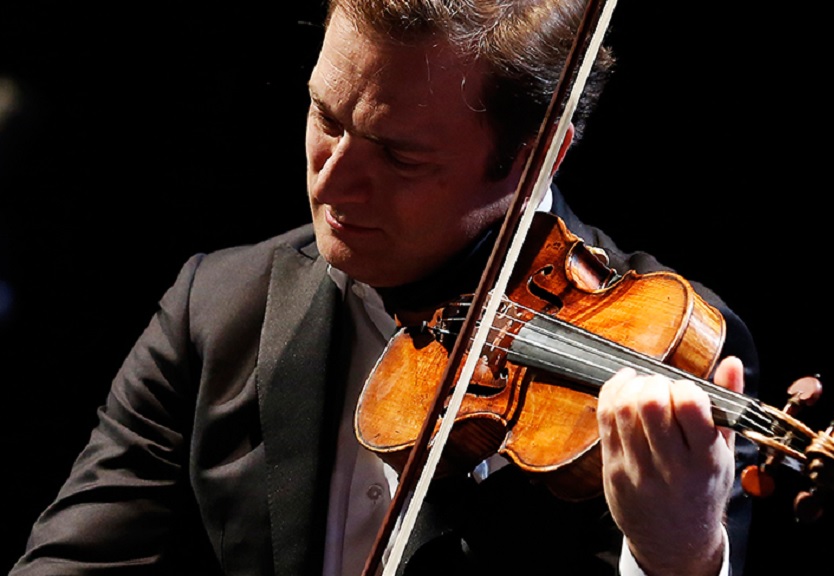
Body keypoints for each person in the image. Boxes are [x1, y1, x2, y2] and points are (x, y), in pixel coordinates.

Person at [10, 1, 759, 575]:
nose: (332, 182)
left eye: (399, 157)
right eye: (324, 116)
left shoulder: (663, 354)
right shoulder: (216, 307)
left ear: (539, 158)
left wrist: (679, 557)